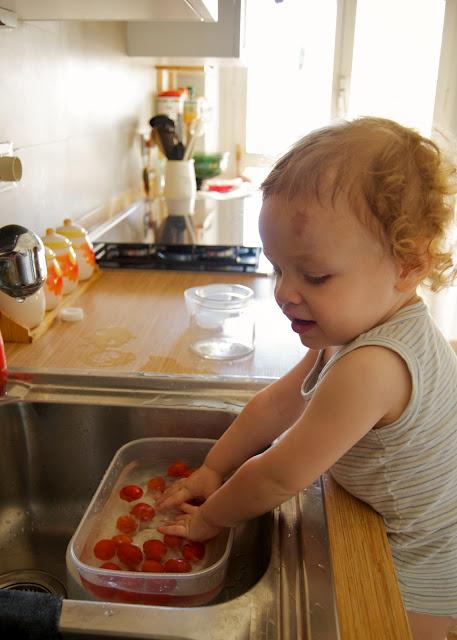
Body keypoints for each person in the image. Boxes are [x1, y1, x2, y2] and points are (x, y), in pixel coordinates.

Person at [158, 117, 457, 640]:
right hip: (393, 526)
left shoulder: (373, 365)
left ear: (408, 264)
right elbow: (278, 404)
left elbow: (279, 476)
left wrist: (208, 521)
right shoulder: (357, 328)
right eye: (277, 269)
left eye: (314, 276)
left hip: (421, 564)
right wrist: (213, 468)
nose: (284, 292)